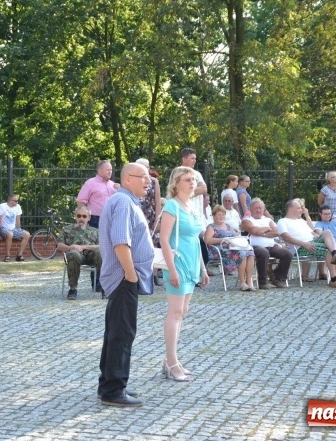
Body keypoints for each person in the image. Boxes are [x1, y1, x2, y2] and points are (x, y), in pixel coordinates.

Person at [97, 162, 154, 407]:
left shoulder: (127, 202)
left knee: (115, 332)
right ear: (127, 179)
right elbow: (121, 243)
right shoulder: (123, 203)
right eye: (142, 177)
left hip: (123, 279)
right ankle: (114, 390)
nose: (148, 181)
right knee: (122, 333)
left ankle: (108, 384)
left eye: (148, 177)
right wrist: (131, 275)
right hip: (123, 278)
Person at [158, 166, 207, 382]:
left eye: (194, 179)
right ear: (176, 183)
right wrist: (172, 268)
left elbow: (196, 238)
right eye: (187, 179)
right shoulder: (172, 206)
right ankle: (172, 361)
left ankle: (170, 361)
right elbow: (164, 239)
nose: (192, 183)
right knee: (175, 313)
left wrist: (203, 268)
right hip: (177, 263)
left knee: (182, 312)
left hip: (192, 262)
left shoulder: (192, 206)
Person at [277, 199, 336, 289]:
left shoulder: (301, 221)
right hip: (300, 247)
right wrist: (304, 244)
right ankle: (334, 280)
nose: (301, 210)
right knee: (328, 250)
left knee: (327, 232)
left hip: (312, 242)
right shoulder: (283, 221)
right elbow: (286, 237)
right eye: (299, 208)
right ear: (291, 209)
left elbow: (313, 232)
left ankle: (334, 253)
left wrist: (321, 237)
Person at [241, 198, 292, 289]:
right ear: (251, 209)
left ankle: (278, 278)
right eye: (256, 208)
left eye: (260, 208)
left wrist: (262, 233)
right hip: (254, 246)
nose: (258, 210)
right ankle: (263, 282)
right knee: (263, 252)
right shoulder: (247, 220)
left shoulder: (268, 219)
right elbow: (254, 231)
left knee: (287, 253)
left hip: (271, 245)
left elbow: (276, 232)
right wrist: (267, 228)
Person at [205, 205, 256, 290]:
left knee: (250, 253)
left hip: (232, 249)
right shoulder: (211, 227)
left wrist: (237, 238)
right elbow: (207, 240)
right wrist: (222, 239)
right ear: (214, 216)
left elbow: (234, 236)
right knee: (242, 253)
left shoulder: (228, 226)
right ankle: (242, 282)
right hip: (219, 251)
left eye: (223, 214)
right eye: (219, 214)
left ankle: (249, 281)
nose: (221, 216)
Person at [58, 206, 101, 300]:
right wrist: (70, 247)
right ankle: (73, 289)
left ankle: (105, 287)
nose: (81, 218)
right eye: (79, 216)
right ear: (75, 217)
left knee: (100, 252)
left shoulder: (96, 231)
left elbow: (101, 245)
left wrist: (83, 247)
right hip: (75, 255)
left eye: (84, 216)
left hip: (92, 256)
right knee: (73, 254)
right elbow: (59, 245)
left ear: (89, 218)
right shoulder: (66, 229)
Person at [179, 148, 209, 263]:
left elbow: (204, 189)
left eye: (195, 158)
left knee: (201, 248)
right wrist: (195, 190)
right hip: (186, 214)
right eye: (192, 158)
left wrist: (188, 191)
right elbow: (178, 192)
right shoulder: (178, 173)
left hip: (198, 214)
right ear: (184, 159)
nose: (194, 161)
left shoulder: (197, 174)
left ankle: (200, 275)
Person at [76, 160, 118, 228]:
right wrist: (86, 217)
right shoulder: (90, 183)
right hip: (95, 220)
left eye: (111, 170)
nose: (110, 172)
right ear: (99, 170)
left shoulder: (113, 185)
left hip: (112, 219)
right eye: (107, 170)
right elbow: (80, 201)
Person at [0, 194, 31, 261]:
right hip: (4, 228)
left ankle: (19, 255)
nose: (17, 202)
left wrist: (19, 230)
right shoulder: (2, 206)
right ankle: (7, 255)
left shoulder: (18, 207)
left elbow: (18, 221)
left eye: (17, 201)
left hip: (13, 228)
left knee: (27, 234)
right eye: (15, 201)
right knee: (10, 234)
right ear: (10, 201)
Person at [135, 158, 162, 235]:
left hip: (149, 215)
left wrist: (157, 219)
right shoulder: (134, 180)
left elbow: (157, 201)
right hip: (136, 212)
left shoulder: (153, 181)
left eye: (146, 166)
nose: (145, 169)